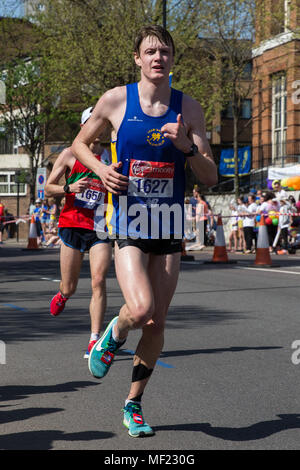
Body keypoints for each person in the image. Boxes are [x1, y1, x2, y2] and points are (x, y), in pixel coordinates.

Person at [71, 25, 217, 438]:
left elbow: (209, 176)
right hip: (129, 222)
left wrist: (188, 147)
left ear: (173, 59)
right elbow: (80, 144)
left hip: (169, 223)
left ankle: (133, 404)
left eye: (165, 52)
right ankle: (112, 335)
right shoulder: (116, 100)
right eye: (150, 52)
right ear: (137, 59)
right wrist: (101, 170)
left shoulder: (189, 109)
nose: (158, 58)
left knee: (156, 323)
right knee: (139, 309)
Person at [45, 107, 112, 358]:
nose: (98, 131)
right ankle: (63, 294)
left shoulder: (110, 156)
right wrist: (69, 187)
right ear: (84, 127)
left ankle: (94, 339)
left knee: (98, 280)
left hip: (99, 227)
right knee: (70, 286)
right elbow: (49, 189)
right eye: (93, 124)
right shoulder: (70, 155)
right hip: (72, 224)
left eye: (102, 125)